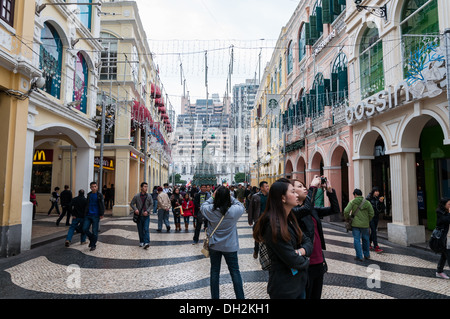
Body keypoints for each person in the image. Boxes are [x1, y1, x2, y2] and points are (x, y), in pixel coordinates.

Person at [253, 180, 312, 299]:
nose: (296, 195)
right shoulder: (273, 225)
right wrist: (305, 258)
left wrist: (299, 252)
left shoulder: (290, 218)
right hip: (285, 289)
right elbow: (294, 260)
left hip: (298, 284)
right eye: (293, 192)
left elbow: (308, 242)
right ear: (283, 198)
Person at [291, 176, 340, 299]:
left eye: (304, 186)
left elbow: (335, 209)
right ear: (291, 192)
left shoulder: (311, 210)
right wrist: (313, 187)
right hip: (305, 262)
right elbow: (305, 209)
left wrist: (329, 190)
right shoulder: (292, 211)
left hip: (318, 261)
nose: (304, 188)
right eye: (299, 186)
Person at [201, 186, 245, 299]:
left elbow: (203, 206)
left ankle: (215, 297)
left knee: (214, 272)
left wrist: (212, 197)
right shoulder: (234, 211)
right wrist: (231, 197)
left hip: (215, 245)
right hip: (230, 246)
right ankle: (240, 298)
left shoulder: (210, 210)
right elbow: (241, 206)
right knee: (235, 272)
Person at [344, 189, 374, 261]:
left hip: (355, 224)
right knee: (366, 239)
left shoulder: (352, 202)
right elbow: (371, 213)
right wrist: (367, 220)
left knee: (356, 240)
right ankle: (366, 255)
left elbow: (346, 211)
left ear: (355, 195)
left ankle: (359, 256)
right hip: (365, 225)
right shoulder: (367, 203)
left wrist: (347, 218)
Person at [248, 181, 269, 259]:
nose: (268, 188)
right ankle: (256, 250)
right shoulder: (255, 196)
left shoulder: (270, 196)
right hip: (258, 220)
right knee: (257, 236)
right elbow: (251, 208)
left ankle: (267, 253)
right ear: (261, 188)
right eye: (266, 186)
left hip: (268, 219)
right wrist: (250, 220)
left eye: (268, 186)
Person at [82, 182, 105, 251]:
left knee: (95, 231)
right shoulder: (89, 195)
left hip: (96, 215)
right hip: (88, 215)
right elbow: (86, 204)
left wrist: (101, 214)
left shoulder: (99, 195)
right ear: (90, 187)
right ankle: (92, 238)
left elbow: (102, 205)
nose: (93, 188)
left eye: (95, 186)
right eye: (92, 187)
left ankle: (93, 245)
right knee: (84, 228)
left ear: (97, 187)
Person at [130, 182, 153, 249]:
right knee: (140, 229)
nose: (146, 188)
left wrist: (147, 211)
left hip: (146, 216)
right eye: (145, 186)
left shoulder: (149, 196)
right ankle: (141, 241)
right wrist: (135, 209)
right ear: (141, 187)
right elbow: (132, 203)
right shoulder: (137, 196)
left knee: (146, 229)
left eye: (147, 186)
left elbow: (151, 204)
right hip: (139, 216)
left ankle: (147, 242)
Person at [366, 186, 385, 253]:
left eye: (378, 191)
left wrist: (381, 202)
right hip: (370, 217)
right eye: (376, 191)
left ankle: (369, 242)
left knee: (374, 230)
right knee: (374, 230)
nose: (377, 193)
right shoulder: (368, 198)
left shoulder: (378, 199)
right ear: (373, 192)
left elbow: (382, 209)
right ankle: (376, 246)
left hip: (376, 216)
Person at [436, 198, 450, 279]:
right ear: (444, 205)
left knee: (444, 255)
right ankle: (439, 271)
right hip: (444, 239)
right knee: (448, 255)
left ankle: (439, 271)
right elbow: (447, 220)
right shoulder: (440, 212)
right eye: (449, 204)